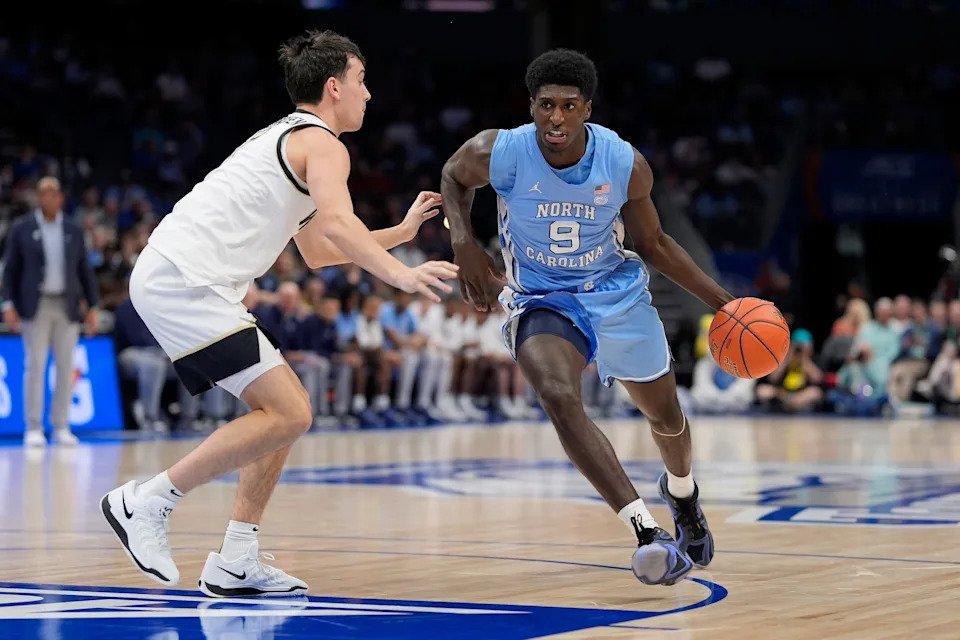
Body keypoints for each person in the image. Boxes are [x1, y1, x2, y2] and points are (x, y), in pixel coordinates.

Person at [100, 29, 458, 598]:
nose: (368, 94)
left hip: (187, 279)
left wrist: (401, 233)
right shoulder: (323, 144)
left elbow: (318, 251)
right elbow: (339, 225)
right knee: (290, 411)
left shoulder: (295, 139)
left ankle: (237, 559)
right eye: (362, 81)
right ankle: (145, 502)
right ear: (334, 87)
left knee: (285, 409)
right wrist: (402, 274)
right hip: (183, 279)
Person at [441, 49, 738, 586]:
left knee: (667, 418)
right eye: (546, 105)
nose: (556, 118)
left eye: (568, 106)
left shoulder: (623, 162)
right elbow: (453, 177)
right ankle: (648, 532)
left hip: (615, 293)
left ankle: (682, 493)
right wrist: (463, 242)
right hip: (543, 298)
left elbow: (654, 243)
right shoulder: (500, 151)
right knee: (558, 395)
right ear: (531, 107)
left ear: (587, 109)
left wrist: (725, 304)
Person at [1, 176, 99, 447]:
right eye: (43, 193)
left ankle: (61, 426)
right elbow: (10, 270)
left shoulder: (73, 230)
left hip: (67, 305)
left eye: (53, 193)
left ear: (61, 198)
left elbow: (84, 270)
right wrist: (8, 304)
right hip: (36, 305)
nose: (48, 198)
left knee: (66, 367)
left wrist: (93, 305)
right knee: (35, 366)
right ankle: (33, 426)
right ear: (37, 197)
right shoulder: (22, 228)